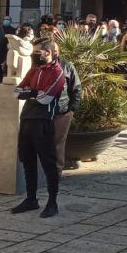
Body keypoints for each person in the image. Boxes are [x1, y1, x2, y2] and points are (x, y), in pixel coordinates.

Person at [11, 37, 67, 218]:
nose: (35, 55)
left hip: (44, 121)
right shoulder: (34, 70)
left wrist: (31, 93)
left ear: (48, 53)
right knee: (27, 160)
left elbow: (46, 98)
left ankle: (52, 202)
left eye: (37, 52)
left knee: (48, 163)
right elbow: (17, 92)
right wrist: (34, 92)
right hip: (27, 118)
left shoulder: (57, 72)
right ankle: (31, 198)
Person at [50, 41, 82, 172]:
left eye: (55, 50)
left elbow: (77, 88)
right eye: (50, 50)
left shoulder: (67, 66)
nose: (53, 53)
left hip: (62, 111)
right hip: (43, 111)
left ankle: (56, 171)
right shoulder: (38, 66)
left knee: (58, 143)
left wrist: (71, 109)